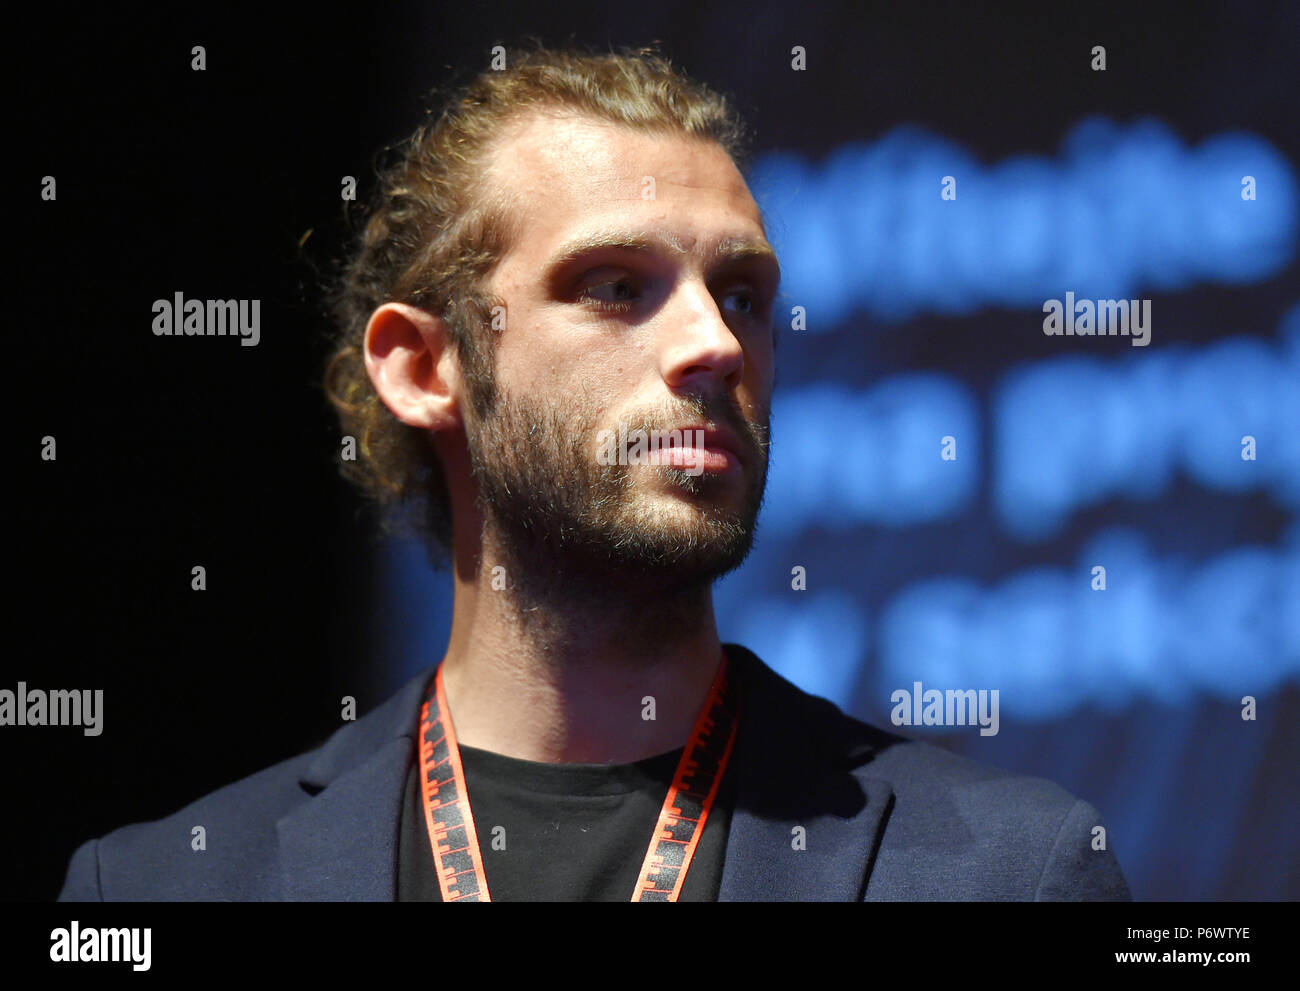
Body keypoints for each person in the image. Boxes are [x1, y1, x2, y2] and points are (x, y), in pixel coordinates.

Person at [58, 45, 1131, 902]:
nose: (714, 343)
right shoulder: (162, 886)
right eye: (617, 285)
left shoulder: (1009, 870)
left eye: (743, 293)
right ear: (427, 367)